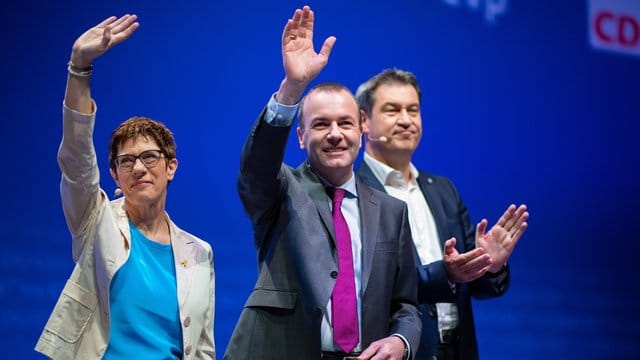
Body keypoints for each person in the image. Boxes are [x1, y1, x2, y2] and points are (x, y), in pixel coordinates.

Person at [224, 6, 421, 360]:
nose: (334, 135)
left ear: (362, 128)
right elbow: (256, 167)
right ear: (300, 136)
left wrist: (400, 342)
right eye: (320, 125)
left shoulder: (393, 211)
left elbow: (405, 305)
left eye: (345, 123)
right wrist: (292, 88)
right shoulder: (281, 190)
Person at [34, 15, 215, 359]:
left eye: (149, 156)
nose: (139, 167)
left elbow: (202, 346)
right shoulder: (97, 221)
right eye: (126, 161)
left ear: (171, 167)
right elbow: (76, 158)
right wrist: (79, 68)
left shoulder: (199, 252)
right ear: (114, 176)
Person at [355, 68, 529, 360]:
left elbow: (476, 287)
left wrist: (489, 266)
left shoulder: (443, 190)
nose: (406, 120)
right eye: (392, 110)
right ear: (363, 121)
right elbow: (371, 284)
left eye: (413, 110)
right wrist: (445, 273)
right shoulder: (353, 193)